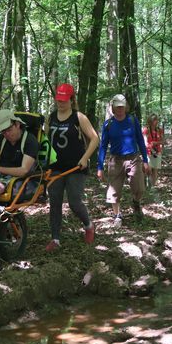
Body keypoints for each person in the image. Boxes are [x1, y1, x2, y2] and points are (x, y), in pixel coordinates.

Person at [45, 83, 100, 252]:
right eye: (58, 100)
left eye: (64, 100)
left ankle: (89, 225)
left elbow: (95, 138)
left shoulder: (79, 117)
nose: (60, 103)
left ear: (71, 99)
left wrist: (85, 158)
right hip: (55, 168)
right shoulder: (51, 117)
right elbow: (45, 141)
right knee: (54, 202)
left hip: (76, 167)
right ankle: (55, 239)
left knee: (74, 202)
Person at [97, 94, 150, 227]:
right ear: (113, 108)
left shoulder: (132, 120)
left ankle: (136, 202)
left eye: (122, 106)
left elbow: (140, 140)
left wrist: (145, 159)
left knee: (139, 188)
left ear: (125, 107)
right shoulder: (108, 124)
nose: (120, 109)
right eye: (117, 107)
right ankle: (117, 215)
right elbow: (103, 145)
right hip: (115, 160)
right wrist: (100, 167)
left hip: (133, 158)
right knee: (114, 191)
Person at [142, 113, 164, 187]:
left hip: (157, 152)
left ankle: (152, 186)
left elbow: (163, 141)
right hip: (148, 152)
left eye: (156, 119)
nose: (156, 121)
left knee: (155, 170)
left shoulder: (159, 130)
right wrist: (150, 146)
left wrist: (156, 143)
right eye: (154, 120)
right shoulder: (146, 130)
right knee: (148, 169)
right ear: (150, 121)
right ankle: (146, 183)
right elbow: (144, 142)